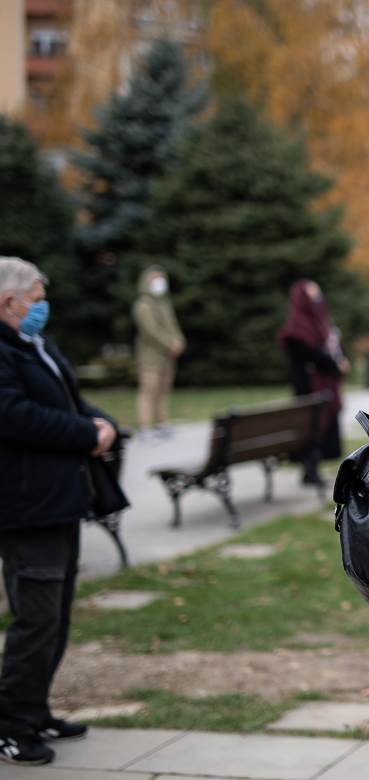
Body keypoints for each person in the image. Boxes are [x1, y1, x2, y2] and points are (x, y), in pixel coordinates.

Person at [0, 257, 118, 766]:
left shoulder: (36, 344)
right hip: (27, 506)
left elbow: (72, 400)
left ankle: (35, 708)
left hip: (60, 500)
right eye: (37, 299)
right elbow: (13, 416)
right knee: (36, 616)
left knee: (56, 615)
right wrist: (84, 435)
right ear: (9, 302)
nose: (42, 308)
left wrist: (103, 423)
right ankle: (10, 725)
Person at [277, 279, 348, 486]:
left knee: (318, 426)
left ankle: (312, 470)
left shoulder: (319, 325)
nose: (318, 299)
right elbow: (310, 356)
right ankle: (310, 469)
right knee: (311, 426)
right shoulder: (297, 330)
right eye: (313, 296)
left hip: (322, 386)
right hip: (310, 388)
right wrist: (335, 365)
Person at [132, 266, 184, 439]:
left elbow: (173, 326)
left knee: (163, 390)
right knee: (148, 391)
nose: (159, 283)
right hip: (150, 357)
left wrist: (178, 341)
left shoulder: (163, 303)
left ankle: (162, 423)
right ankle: (145, 427)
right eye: (155, 279)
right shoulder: (143, 305)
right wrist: (170, 343)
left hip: (167, 356)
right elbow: (151, 330)